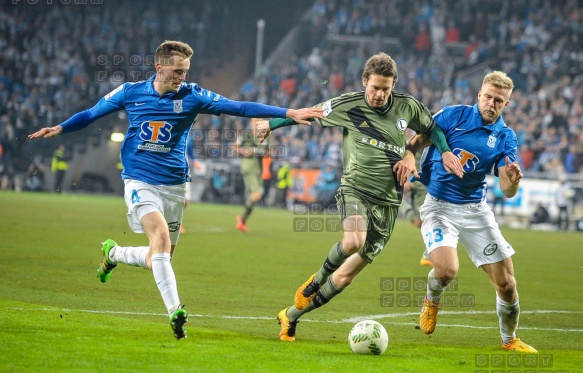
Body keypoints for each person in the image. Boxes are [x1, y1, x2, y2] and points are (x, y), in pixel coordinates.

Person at [28, 40, 323, 340]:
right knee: (158, 238)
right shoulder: (131, 92)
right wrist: (61, 128)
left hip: (174, 187)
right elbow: (92, 114)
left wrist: (288, 112)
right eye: (177, 71)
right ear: (159, 68)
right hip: (140, 181)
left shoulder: (193, 96)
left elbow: (240, 107)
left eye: (186, 71)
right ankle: (175, 312)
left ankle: (114, 253)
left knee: (160, 256)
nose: (182, 76)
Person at [255, 52, 463, 342]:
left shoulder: (407, 106)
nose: (379, 94)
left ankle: (290, 316)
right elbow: (309, 115)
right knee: (353, 240)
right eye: (375, 87)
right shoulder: (347, 104)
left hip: (389, 201)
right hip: (355, 188)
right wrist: (270, 124)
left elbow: (432, 130)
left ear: (393, 86)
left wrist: (440, 152)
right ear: (365, 81)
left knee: (344, 278)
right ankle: (314, 281)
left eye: (385, 89)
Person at [408, 71, 537, 353]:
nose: (491, 103)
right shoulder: (452, 116)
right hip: (439, 206)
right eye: (488, 96)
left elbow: (506, 188)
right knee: (446, 271)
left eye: (498, 100)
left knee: (507, 284)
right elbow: (417, 142)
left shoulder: (505, 137)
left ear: (506, 105)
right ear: (479, 95)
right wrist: (407, 157)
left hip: (476, 211)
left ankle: (509, 339)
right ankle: (431, 301)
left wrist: (513, 181)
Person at [236, 118, 266, 233]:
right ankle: (241, 218)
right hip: (248, 168)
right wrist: (243, 151)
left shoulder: (264, 135)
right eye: (254, 121)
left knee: (258, 195)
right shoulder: (246, 134)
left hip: (258, 170)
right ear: (252, 122)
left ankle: (242, 219)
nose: (256, 123)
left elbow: (268, 151)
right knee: (256, 195)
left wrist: (253, 151)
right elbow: (235, 146)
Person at [404, 149, 432, 266]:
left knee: (429, 220)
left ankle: (428, 255)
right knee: (419, 222)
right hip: (414, 181)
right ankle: (403, 207)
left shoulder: (436, 138)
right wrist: (404, 179)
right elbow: (398, 157)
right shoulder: (411, 141)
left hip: (428, 184)